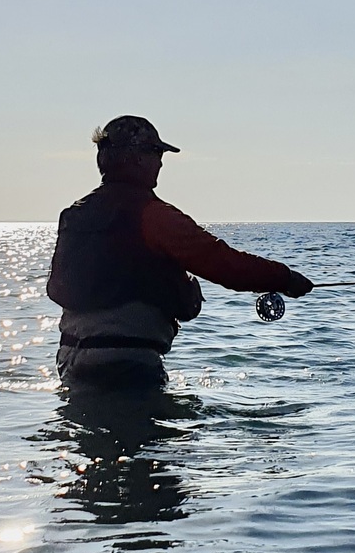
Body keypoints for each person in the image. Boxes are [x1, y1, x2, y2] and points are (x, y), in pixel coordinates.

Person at [47, 115, 313, 387]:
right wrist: (284, 278)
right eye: (156, 152)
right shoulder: (153, 216)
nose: (161, 161)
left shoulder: (74, 215)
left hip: (70, 360)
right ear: (136, 157)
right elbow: (223, 263)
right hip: (126, 363)